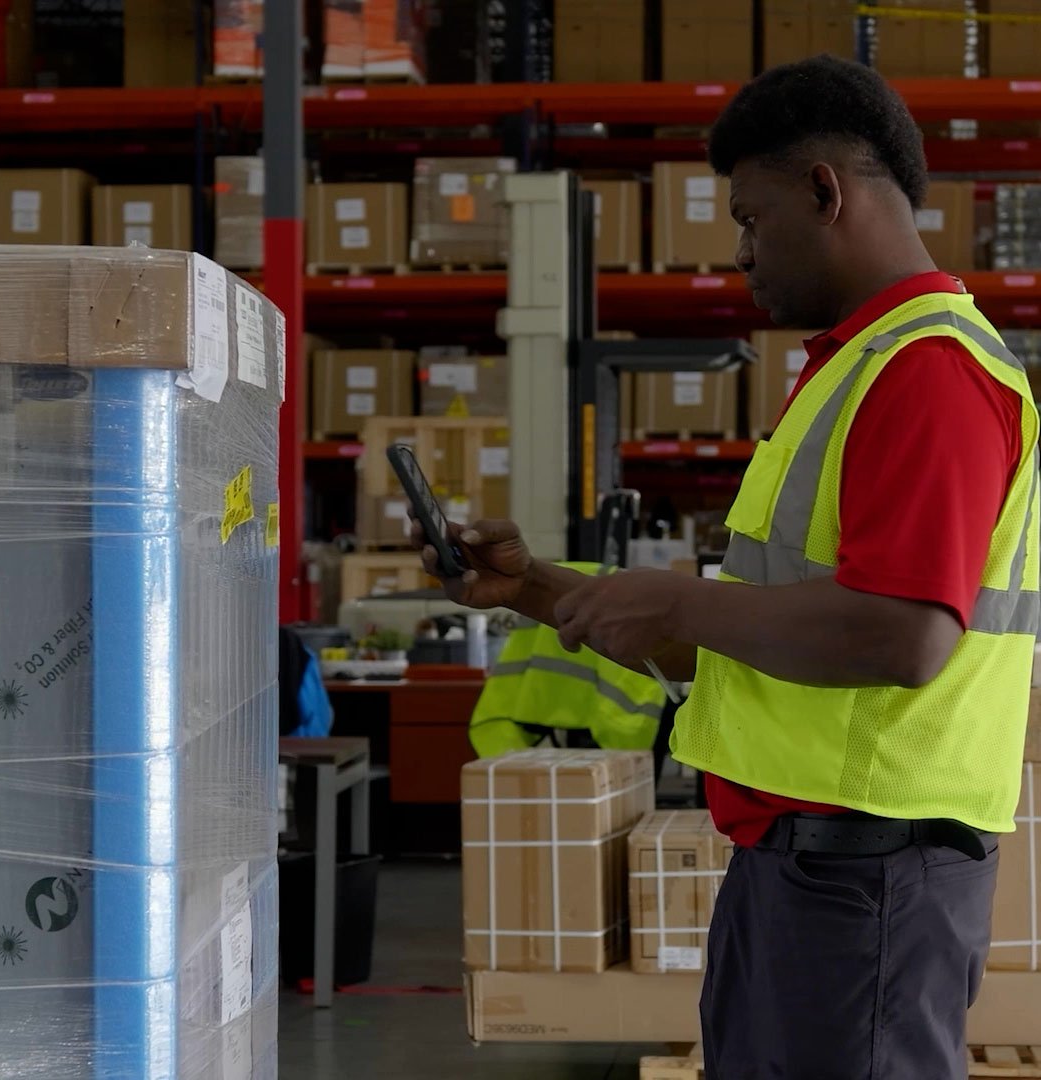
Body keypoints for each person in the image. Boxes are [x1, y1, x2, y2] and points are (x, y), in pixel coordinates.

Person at [412, 55, 1040, 1080]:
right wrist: (531, 588)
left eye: (750, 217)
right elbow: (748, 635)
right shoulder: (853, 372)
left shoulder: (929, 373)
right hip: (805, 870)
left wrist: (681, 601)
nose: (742, 250)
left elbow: (904, 634)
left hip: (867, 880)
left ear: (825, 191)